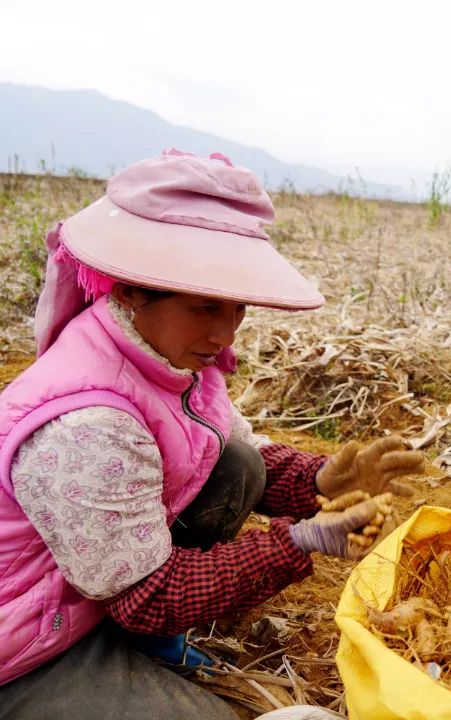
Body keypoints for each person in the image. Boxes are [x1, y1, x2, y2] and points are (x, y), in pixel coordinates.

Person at [0, 150, 424, 720]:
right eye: (205, 307)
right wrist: (303, 541)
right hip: (23, 639)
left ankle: (142, 652)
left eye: (237, 306)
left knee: (238, 463)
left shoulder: (172, 360)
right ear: (129, 290)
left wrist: (320, 479)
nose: (226, 333)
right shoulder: (85, 426)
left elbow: (219, 447)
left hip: (88, 592)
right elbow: (149, 597)